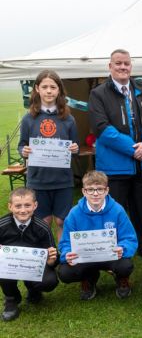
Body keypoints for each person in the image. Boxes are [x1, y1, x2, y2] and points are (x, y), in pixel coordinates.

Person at [88, 49, 142, 257]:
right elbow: (101, 128)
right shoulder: (98, 94)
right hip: (115, 165)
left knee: (141, 207)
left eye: (126, 64)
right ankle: (117, 247)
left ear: (131, 66)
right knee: (117, 210)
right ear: (110, 66)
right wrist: (132, 149)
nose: (123, 67)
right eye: (118, 63)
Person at [18, 70, 79, 241]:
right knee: (43, 223)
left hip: (63, 180)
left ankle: (64, 259)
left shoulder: (68, 119)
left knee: (62, 221)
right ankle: (48, 261)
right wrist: (24, 151)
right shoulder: (29, 118)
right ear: (37, 89)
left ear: (59, 90)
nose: (49, 91)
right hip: (38, 180)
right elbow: (22, 145)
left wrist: (75, 149)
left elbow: (76, 147)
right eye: (44, 87)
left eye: (53, 87)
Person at [58, 171, 138, 300]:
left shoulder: (117, 210)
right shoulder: (74, 213)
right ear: (84, 191)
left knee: (125, 266)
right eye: (90, 190)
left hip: (111, 255)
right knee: (65, 273)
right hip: (85, 256)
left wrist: (122, 248)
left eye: (100, 189)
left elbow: (129, 238)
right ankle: (89, 278)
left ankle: (121, 278)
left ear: (107, 190)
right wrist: (67, 253)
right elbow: (65, 242)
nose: (95, 194)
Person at [0, 188, 58, 321]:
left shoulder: (42, 227)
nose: (23, 210)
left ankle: (33, 289)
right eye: (18, 206)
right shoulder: (1, 225)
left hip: (34, 267)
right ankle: (11, 299)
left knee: (49, 281)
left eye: (27, 205)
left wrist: (51, 259)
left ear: (35, 205)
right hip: (9, 266)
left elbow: (52, 259)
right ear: (10, 206)